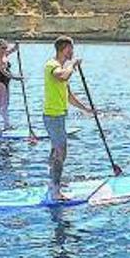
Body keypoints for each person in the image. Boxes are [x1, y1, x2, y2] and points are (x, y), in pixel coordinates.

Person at [42, 36, 95, 203]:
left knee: (56, 151)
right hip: (52, 116)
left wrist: (86, 109)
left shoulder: (62, 67)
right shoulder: (53, 65)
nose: (73, 52)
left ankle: (52, 184)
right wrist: (71, 65)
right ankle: (56, 192)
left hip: (58, 115)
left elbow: (69, 96)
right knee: (61, 152)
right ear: (65, 49)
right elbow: (62, 76)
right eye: (71, 49)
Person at [0, 40, 23, 134]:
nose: (4, 50)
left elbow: (13, 50)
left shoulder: (4, 54)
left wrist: (16, 46)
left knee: (6, 104)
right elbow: (4, 72)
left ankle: (6, 125)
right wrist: (16, 77)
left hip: (6, 83)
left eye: (6, 48)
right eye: (2, 48)